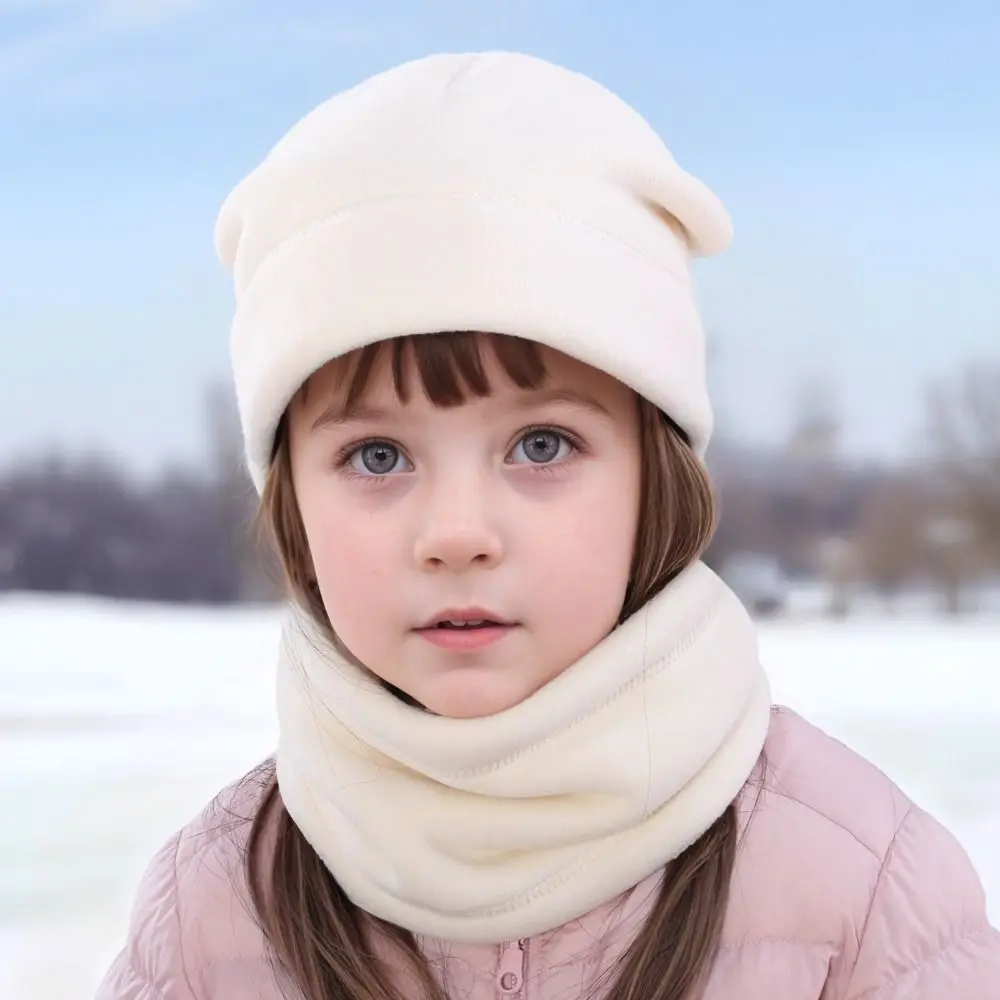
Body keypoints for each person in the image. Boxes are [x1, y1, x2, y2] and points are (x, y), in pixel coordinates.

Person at [95, 52, 999, 1000]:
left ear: (657, 478)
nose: (455, 535)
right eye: (376, 457)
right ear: (293, 506)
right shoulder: (210, 914)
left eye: (539, 445)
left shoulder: (861, 887)